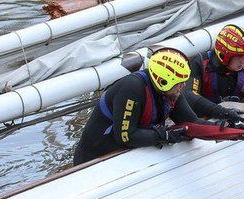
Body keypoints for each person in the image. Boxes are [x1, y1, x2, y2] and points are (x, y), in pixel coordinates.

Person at [74, 48, 205, 165]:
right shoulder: (131, 89)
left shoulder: (171, 92)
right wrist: (165, 136)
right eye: (179, 83)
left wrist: (223, 121)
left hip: (130, 155)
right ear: (164, 81)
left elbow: (192, 122)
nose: (183, 86)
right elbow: (126, 136)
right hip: (95, 160)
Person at [187, 24, 244, 113]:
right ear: (223, 54)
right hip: (203, 118)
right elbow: (188, 95)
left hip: (228, 117)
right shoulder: (198, 64)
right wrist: (221, 112)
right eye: (239, 56)